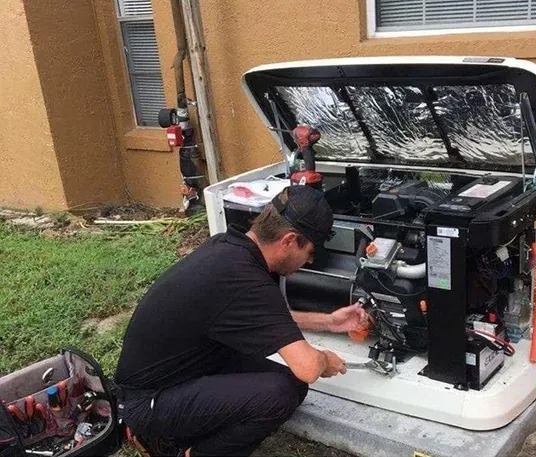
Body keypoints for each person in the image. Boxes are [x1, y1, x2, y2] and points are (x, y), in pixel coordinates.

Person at [114, 185, 367, 457]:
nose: (307, 262)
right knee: (278, 395)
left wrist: (329, 322)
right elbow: (307, 367)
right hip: (148, 400)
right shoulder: (244, 278)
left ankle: (181, 434)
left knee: (293, 386)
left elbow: (267, 318)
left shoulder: (230, 249)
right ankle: (181, 449)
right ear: (289, 241)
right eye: (312, 253)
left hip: (185, 373)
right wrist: (323, 359)